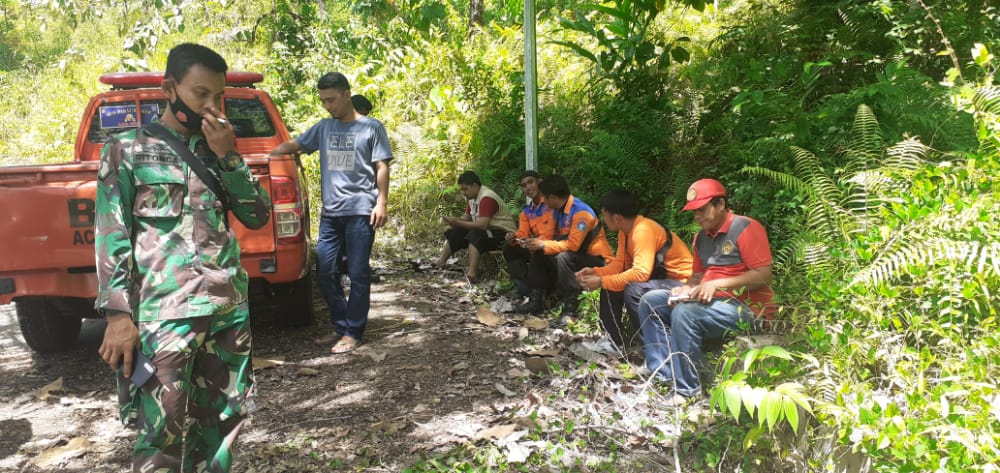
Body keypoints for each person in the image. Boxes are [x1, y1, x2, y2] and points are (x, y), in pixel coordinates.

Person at [95, 43, 271, 472]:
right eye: (200, 94)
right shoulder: (126, 150)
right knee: (161, 429)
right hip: (164, 314)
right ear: (169, 88)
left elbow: (256, 213)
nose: (211, 106)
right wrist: (119, 317)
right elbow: (111, 235)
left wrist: (229, 155)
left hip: (226, 308)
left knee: (225, 422)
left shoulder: (219, 147)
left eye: (218, 96)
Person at [269, 72, 392, 354]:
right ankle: (341, 325)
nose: (328, 106)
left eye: (332, 100)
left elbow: (382, 167)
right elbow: (296, 145)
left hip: (361, 210)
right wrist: (268, 156)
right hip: (331, 213)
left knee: (359, 272)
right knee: (325, 271)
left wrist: (381, 202)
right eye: (324, 101)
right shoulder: (324, 128)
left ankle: (353, 331)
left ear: (347, 95)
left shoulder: (371, 128)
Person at [637, 178, 775, 405]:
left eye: (701, 210)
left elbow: (763, 275)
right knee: (651, 301)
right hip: (710, 302)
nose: (697, 217)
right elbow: (698, 277)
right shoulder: (700, 237)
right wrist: (686, 288)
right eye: (694, 212)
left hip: (749, 309)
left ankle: (688, 392)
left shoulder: (746, 228)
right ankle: (663, 373)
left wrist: (716, 285)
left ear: (720, 205)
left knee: (685, 313)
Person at [575, 189, 693, 348]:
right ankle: (614, 342)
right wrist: (596, 272)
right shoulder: (625, 232)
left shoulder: (642, 231)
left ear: (617, 218)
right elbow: (619, 265)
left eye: (604, 215)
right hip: (659, 281)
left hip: (681, 284)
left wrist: (602, 281)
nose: (603, 220)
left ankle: (656, 348)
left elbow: (640, 273)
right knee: (611, 287)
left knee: (633, 290)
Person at [516, 175, 612, 315]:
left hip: (595, 258)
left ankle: (572, 305)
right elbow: (548, 236)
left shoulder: (581, 212)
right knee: (540, 252)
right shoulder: (556, 211)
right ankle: (537, 299)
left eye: (545, 198)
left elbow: (573, 246)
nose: (544, 202)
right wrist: (535, 243)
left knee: (563, 257)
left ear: (552, 198)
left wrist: (543, 244)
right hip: (574, 255)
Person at [436, 170, 517, 283]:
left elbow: (482, 225)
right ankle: (441, 262)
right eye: (461, 190)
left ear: (474, 185)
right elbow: (467, 217)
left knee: (476, 235)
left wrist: (458, 222)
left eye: (465, 189)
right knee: (457, 231)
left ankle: (472, 274)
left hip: (504, 235)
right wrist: (454, 221)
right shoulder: (473, 198)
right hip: (489, 231)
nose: (463, 193)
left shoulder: (486, 198)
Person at [501, 171, 553, 298]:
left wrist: (535, 242)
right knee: (509, 248)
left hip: (552, 246)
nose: (528, 187)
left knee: (538, 249)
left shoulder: (552, 203)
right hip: (535, 245)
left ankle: (538, 296)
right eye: (524, 185)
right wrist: (513, 238)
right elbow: (522, 232)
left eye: (531, 182)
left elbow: (553, 233)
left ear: (539, 182)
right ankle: (523, 288)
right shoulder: (527, 211)